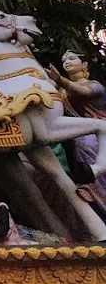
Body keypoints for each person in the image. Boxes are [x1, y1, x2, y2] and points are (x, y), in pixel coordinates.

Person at [47, 51, 106, 202]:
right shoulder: (62, 91)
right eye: (64, 60)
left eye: (72, 58)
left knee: (84, 143)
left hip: (98, 131)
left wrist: (61, 80)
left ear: (84, 65)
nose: (67, 61)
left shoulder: (94, 85)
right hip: (75, 131)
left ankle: (96, 186)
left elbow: (83, 92)